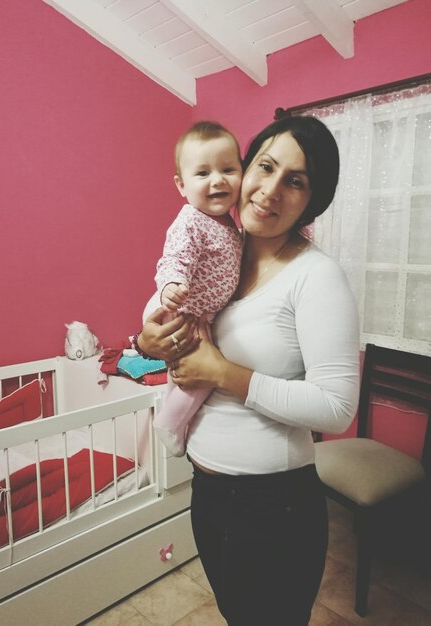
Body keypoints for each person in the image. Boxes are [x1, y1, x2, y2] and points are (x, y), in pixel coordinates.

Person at [139, 115, 360, 626]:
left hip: (274, 507)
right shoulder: (223, 252)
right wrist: (146, 341)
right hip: (210, 491)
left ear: (313, 199)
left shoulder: (317, 277)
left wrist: (223, 373)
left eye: (296, 180)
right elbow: (177, 324)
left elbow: (336, 408)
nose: (271, 190)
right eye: (266, 166)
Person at [152, 121, 243, 457]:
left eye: (228, 169)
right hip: (188, 314)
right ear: (182, 185)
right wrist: (172, 286)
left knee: (183, 377)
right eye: (203, 173)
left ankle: (177, 421)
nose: (217, 180)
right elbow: (172, 259)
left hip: (204, 316)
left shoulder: (228, 222)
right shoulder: (190, 220)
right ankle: (169, 423)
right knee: (201, 374)